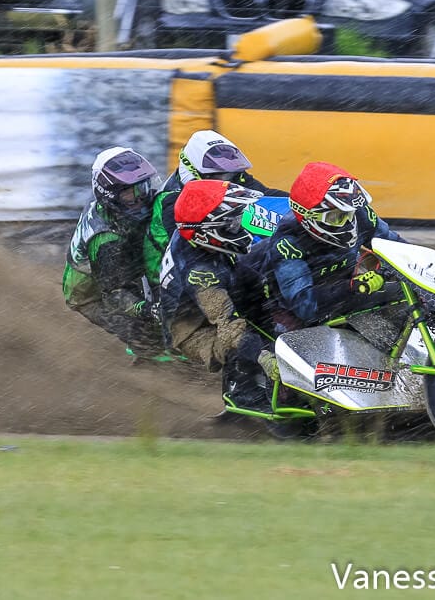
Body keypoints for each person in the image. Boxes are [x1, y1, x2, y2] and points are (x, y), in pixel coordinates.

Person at [242, 161, 405, 333]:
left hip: (336, 291)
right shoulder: (288, 243)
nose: (349, 223)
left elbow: (399, 250)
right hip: (277, 309)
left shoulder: (360, 215)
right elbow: (305, 306)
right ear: (311, 218)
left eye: (349, 213)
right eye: (336, 217)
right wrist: (352, 287)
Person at [158, 179, 274, 412]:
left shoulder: (200, 238)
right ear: (208, 232)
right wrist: (265, 358)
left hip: (226, 283)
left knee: (276, 304)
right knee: (243, 339)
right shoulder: (201, 274)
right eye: (231, 223)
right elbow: (227, 325)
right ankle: (243, 398)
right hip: (193, 329)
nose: (239, 226)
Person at [145, 129, 285, 288]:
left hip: (215, 262)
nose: (228, 181)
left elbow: (264, 195)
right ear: (194, 172)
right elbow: (194, 249)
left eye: (231, 175)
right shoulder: (172, 202)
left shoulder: (231, 175)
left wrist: (299, 201)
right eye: (221, 176)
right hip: (177, 280)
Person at [62, 146, 164, 358]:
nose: (140, 198)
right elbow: (114, 295)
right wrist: (148, 309)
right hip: (92, 295)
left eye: (143, 188)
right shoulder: (107, 241)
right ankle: (154, 373)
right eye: (129, 194)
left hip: (117, 263)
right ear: (110, 197)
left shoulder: (118, 211)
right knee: (147, 336)